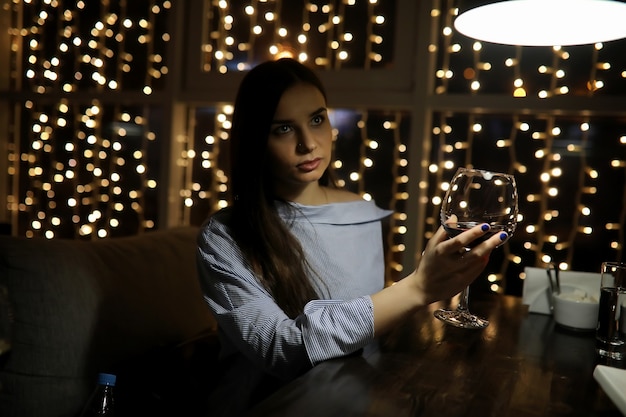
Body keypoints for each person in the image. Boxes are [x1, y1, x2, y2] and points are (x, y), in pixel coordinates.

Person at [196, 57, 507, 415]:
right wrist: (417, 288)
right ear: (254, 140)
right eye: (282, 129)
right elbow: (283, 351)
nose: (308, 143)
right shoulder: (224, 236)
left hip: (354, 396)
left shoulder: (359, 211)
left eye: (316, 119)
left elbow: (364, 337)